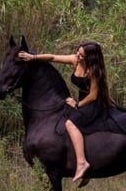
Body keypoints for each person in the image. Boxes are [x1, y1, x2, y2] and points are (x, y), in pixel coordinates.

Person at [18, 42, 113, 182]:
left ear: (90, 58)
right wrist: (34, 58)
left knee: (70, 123)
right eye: (78, 52)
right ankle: (83, 165)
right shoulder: (75, 60)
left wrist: (77, 104)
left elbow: (93, 95)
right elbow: (53, 57)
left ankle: (82, 163)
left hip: (93, 105)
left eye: (82, 55)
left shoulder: (93, 70)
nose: (78, 56)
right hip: (82, 103)